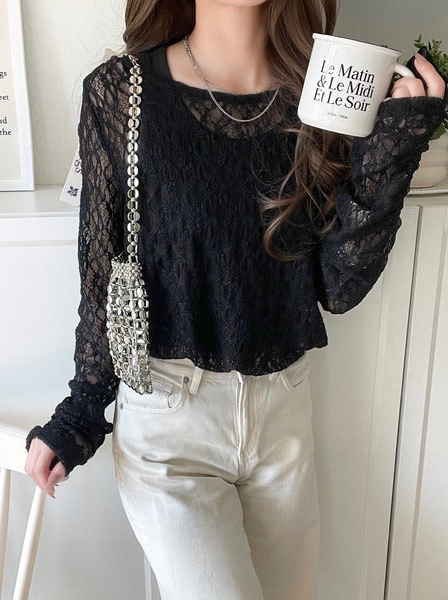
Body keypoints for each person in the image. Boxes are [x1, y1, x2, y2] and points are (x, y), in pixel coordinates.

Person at [25, 1, 446, 598]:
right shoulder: (123, 94)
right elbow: (102, 271)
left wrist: (394, 147)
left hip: (284, 420)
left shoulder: (327, 90)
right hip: (169, 427)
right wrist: (81, 411)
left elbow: (336, 288)